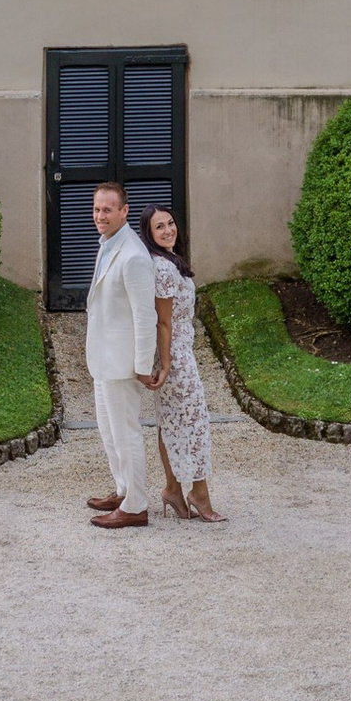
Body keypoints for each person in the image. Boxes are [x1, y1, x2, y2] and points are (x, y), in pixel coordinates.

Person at [81, 180, 159, 529]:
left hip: (123, 362)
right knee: (108, 430)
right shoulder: (109, 243)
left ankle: (136, 506)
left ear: (124, 212)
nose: (100, 215)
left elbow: (146, 316)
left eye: (107, 210)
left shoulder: (133, 256)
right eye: (97, 209)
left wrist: (143, 365)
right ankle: (124, 490)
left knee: (126, 432)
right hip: (103, 359)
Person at [145, 206, 220, 522]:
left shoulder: (171, 262)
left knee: (172, 422)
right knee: (193, 421)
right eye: (159, 227)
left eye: (170, 223)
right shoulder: (162, 268)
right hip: (173, 354)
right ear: (149, 235)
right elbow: (163, 321)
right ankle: (199, 494)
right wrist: (165, 364)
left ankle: (173, 489)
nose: (167, 230)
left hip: (179, 349)